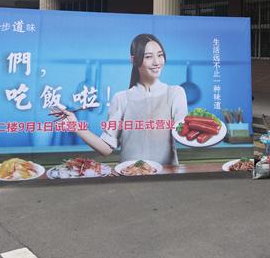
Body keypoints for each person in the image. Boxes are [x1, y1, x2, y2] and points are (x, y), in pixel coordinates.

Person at [59, 34, 188, 165]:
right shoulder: (121, 99)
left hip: (167, 175)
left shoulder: (175, 93)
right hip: (131, 174)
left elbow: (184, 133)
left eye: (160, 55)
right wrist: (76, 127)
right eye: (148, 57)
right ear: (134, 60)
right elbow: (106, 148)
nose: (157, 62)